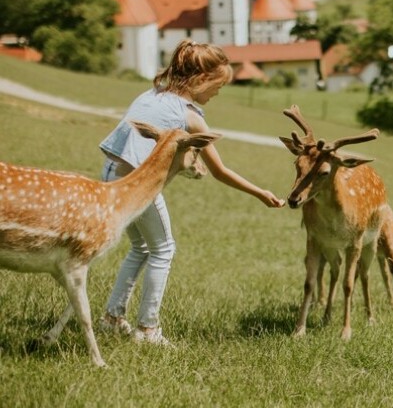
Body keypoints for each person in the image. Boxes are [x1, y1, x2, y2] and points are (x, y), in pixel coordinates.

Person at [98, 39, 284, 346]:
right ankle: (147, 330)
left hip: (110, 173)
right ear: (201, 80)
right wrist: (260, 193)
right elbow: (221, 171)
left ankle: (112, 318)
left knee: (142, 248)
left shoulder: (152, 93)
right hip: (136, 185)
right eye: (217, 87)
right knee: (164, 249)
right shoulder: (191, 117)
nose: (216, 94)